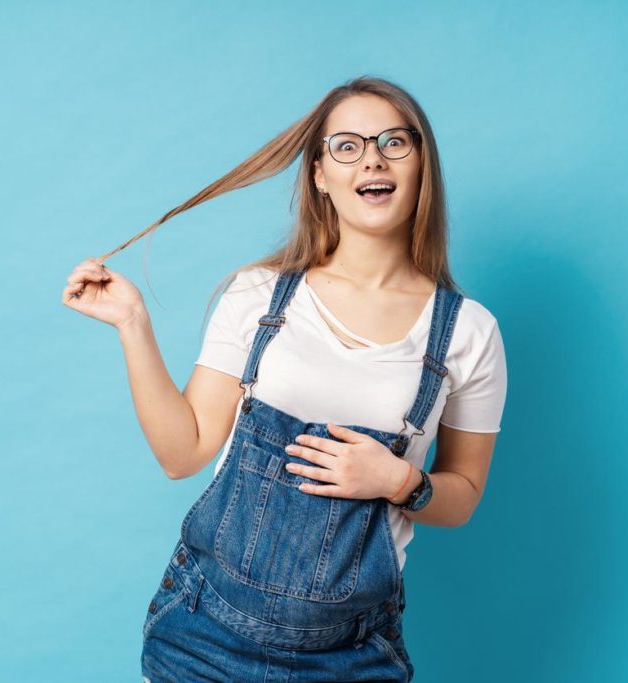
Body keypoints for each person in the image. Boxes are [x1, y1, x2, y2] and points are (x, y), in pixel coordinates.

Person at [61, 76, 507, 682]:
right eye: (346, 146)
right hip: (204, 639)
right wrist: (132, 323)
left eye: (393, 142)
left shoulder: (467, 333)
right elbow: (182, 452)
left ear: (421, 163)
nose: (371, 157)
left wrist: (398, 479)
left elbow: (464, 496)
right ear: (320, 175)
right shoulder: (258, 295)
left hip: (350, 656)